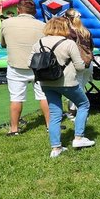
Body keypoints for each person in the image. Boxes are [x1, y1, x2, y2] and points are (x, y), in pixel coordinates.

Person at [32, 17, 93, 158]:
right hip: (67, 82)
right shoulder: (69, 43)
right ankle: (79, 137)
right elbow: (79, 66)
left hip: (46, 83)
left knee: (55, 114)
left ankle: (56, 147)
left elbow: (31, 62)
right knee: (83, 104)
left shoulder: (38, 43)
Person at [0, 0, 50, 134]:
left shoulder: (6, 23)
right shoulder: (42, 26)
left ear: (18, 10)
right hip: (37, 65)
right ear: (34, 12)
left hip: (16, 65)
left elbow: (3, 43)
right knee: (44, 96)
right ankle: (50, 125)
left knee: (16, 97)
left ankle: (14, 129)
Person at [63, 9, 94, 118]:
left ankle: (77, 113)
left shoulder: (69, 32)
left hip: (77, 64)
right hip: (88, 63)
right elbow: (91, 47)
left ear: (67, 18)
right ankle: (74, 111)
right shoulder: (86, 31)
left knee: (76, 90)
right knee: (80, 89)